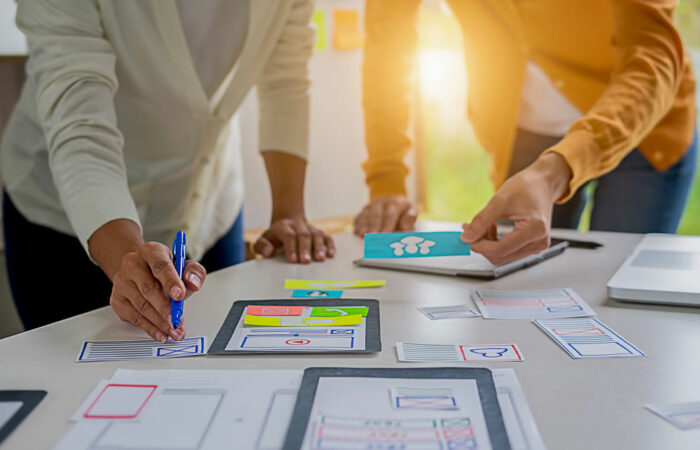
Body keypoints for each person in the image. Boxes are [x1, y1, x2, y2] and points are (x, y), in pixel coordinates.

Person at [1, 0, 334, 340]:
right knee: (78, 385)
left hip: (208, 202)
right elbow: (81, 127)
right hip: (71, 217)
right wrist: (126, 258)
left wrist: (288, 212)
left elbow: (286, 80)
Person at [354, 0, 697, 266]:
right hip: (522, 134)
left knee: (613, 282)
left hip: (643, 135)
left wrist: (554, 171)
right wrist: (387, 179)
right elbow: (389, 46)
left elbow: (652, 57)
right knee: (518, 283)